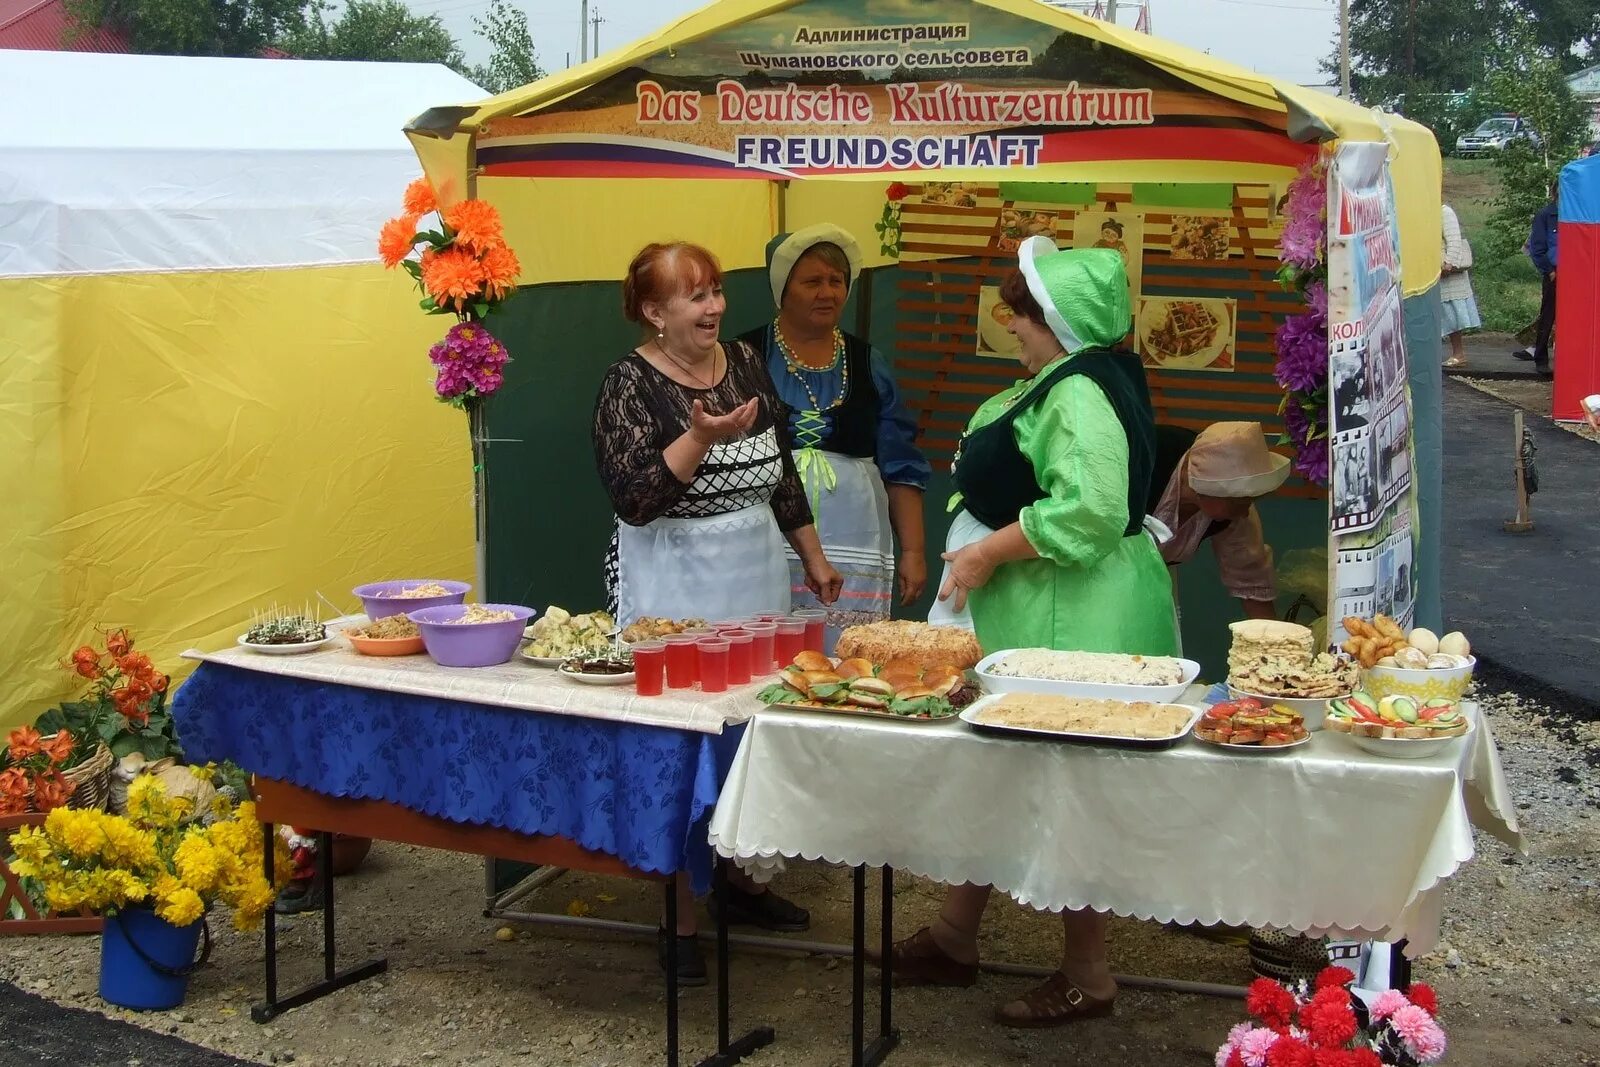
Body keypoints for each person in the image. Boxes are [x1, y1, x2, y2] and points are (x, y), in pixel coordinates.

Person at [886, 239, 1178, 1028]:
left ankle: (1089, 972)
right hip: (1050, 608)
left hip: (1073, 616)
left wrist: (984, 550)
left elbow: (1090, 508)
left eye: (1020, 309)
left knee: (1067, 785)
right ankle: (955, 933)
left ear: (1055, 317)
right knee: (1009, 774)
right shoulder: (1070, 379)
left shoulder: (1079, 392)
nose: (1008, 321)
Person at [591, 241, 841, 982]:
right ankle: (678, 915)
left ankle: (740, 879)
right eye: (694, 296)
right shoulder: (626, 385)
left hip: (754, 572)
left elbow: (781, 472)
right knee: (680, 743)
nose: (714, 307)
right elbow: (635, 498)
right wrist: (697, 437)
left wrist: (814, 557)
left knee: (752, 727)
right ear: (653, 311)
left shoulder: (743, 360)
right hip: (674, 583)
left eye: (717, 290)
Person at [739, 225, 931, 651]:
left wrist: (914, 552)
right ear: (782, 290)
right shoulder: (744, 356)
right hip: (767, 532)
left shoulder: (868, 362)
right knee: (767, 646)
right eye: (812, 282)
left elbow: (900, 462)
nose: (827, 292)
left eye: (836, 281)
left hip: (856, 533)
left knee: (848, 651)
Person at [1148, 422, 1288, 624]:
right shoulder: (1143, 465)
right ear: (1206, 490)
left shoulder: (1237, 511)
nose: (1244, 512)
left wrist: (1276, 645)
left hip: (1155, 581)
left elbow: (1250, 578)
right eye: (1238, 502)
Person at [1519, 181, 1557, 378]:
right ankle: (1540, 358)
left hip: (1577, 272)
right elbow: (1537, 246)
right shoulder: (1545, 215)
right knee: (1548, 315)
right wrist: (1549, 270)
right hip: (1555, 273)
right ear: (1554, 192)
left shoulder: (1578, 212)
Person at [1440, 203, 1481, 369]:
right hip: (1431, 269)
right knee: (1441, 314)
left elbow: (1454, 240)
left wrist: (1449, 262)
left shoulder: (1444, 212)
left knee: (1451, 313)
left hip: (1447, 270)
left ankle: (1459, 353)